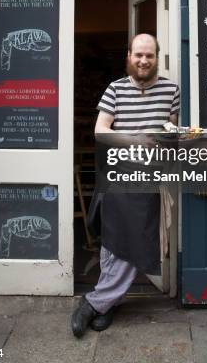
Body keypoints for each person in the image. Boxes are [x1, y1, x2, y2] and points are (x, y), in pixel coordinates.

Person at [71, 33, 180, 338]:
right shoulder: (115, 89)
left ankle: (95, 304)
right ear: (129, 56)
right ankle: (107, 301)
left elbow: (170, 129)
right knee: (113, 242)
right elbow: (100, 131)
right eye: (138, 55)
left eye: (150, 55)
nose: (144, 61)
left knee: (132, 241)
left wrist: (169, 139)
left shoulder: (171, 90)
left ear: (157, 57)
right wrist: (135, 139)